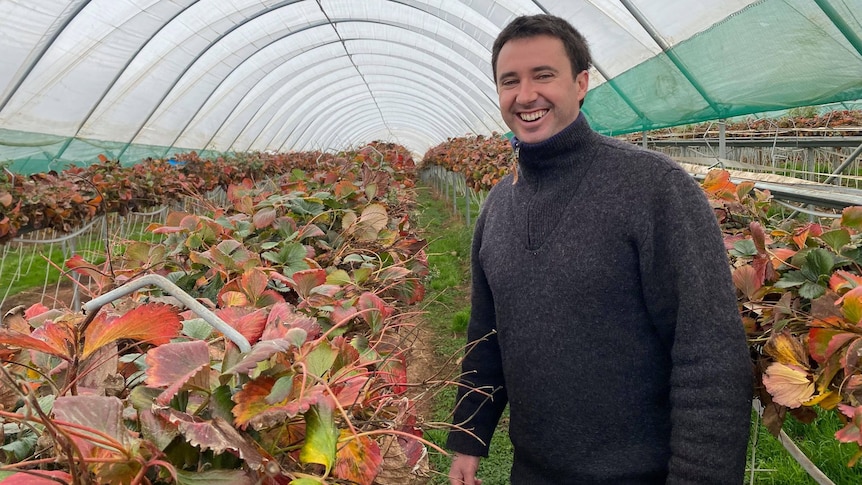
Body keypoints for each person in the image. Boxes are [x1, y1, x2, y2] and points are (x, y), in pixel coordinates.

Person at [446, 14, 753, 485]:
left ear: (582, 83)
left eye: (543, 75)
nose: (525, 95)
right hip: (533, 472)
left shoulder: (653, 188)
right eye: (510, 81)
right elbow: (487, 334)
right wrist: (469, 435)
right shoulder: (498, 206)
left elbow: (708, 353)